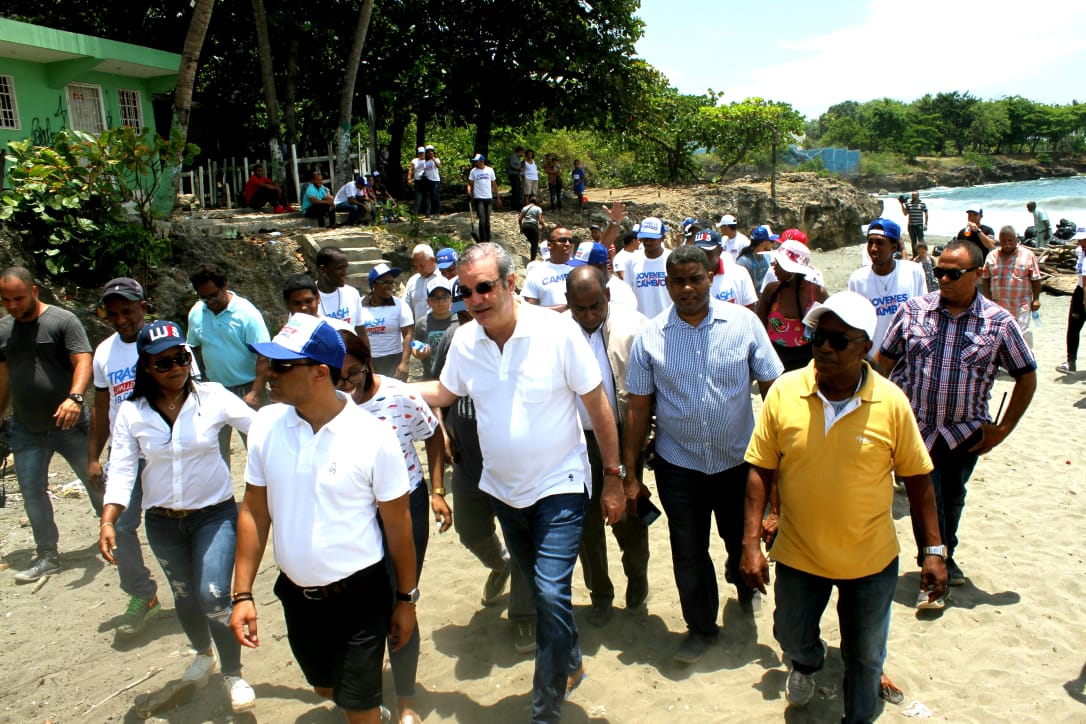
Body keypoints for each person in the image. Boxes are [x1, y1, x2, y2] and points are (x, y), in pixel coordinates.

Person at [416, 243, 627, 722]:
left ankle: (545, 710)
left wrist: (613, 478)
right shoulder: (466, 342)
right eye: (465, 291)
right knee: (539, 588)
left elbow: (599, 407)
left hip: (562, 484)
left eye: (485, 287)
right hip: (505, 492)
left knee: (551, 595)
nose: (476, 298)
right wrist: (377, 388)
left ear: (510, 284)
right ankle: (570, 661)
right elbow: (445, 393)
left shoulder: (558, 332)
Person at [741, 291, 947, 722]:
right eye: (818, 338)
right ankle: (808, 662)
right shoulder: (784, 390)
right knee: (790, 635)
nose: (824, 349)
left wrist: (933, 552)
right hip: (799, 553)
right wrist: (750, 544)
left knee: (866, 656)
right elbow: (761, 469)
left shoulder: (891, 402)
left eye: (839, 340)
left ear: (865, 347)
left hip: (870, 559)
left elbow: (918, 479)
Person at [231, 314, 417, 724]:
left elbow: (399, 526)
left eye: (281, 366)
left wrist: (405, 600)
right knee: (325, 688)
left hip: (360, 597)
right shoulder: (265, 426)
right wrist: (242, 593)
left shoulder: (374, 437)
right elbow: (255, 511)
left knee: (358, 708)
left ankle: (369, 708)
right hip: (298, 597)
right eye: (268, 363)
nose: (268, 374)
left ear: (319, 373)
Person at [624, 246, 783, 664]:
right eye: (678, 281)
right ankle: (701, 628)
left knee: (739, 540)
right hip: (680, 468)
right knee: (688, 552)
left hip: (739, 463)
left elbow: (775, 389)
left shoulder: (744, 324)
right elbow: (638, 408)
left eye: (695, 278)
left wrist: (782, 458)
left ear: (711, 276)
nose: (687, 288)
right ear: (667, 283)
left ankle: (744, 588)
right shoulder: (651, 337)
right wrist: (631, 473)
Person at [98, 320, 257, 713]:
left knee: (213, 593)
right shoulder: (132, 413)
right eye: (164, 363)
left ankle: (233, 674)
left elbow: (262, 430)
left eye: (181, 358)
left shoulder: (214, 397)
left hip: (214, 515)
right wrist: (108, 517)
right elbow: (120, 467)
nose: (176, 368)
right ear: (147, 368)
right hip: (163, 521)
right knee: (184, 593)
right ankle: (203, 654)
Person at [876, 240, 1037, 594]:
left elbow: (1027, 375)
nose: (944, 279)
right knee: (925, 498)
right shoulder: (913, 311)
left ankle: (945, 554)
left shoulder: (999, 323)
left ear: (978, 275)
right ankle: (932, 562)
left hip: (966, 432)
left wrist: (1003, 429)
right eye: (939, 272)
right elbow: (883, 365)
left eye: (953, 273)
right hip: (915, 429)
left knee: (953, 497)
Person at [337, 329, 449, 724]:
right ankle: (364, 691)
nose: (347, 386)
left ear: (368, 364)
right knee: (365, 603)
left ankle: (406, 701)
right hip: (355, 513)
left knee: (403, 596)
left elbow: (434, 438)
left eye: (354, 375)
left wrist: (437, 490)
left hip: (406, 507)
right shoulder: (328, 406)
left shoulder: (400, 397)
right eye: (338, 378)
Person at [427, 286, 537, 654]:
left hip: (512, 461)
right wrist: (442, 431)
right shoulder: (452, 340)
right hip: (469, 462)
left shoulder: (519, 336)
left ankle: (523, 618)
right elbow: (438, 392)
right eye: (461, 311)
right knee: (470, 530)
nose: (468, 317)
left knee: (523, 538)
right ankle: (498, 563)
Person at [0, 266, 100, 583]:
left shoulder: (61, 321)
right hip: (26, 428)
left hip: (69, 424)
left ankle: (117, 532)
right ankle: (47, 556)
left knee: (95, 480)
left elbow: (83, 359)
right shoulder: (4, 330)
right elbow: (3, 376)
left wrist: (75, 398)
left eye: (18, 298)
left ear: (34, 292)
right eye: (6, 300)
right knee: (32, 492)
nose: (13, 306)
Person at [564, 266, 650, 627]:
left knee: (630, 514)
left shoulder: (634, 328)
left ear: (608, 296)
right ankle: (600, 593)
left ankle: (637, 575)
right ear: (567, 303)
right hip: (574, 442)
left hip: (623, 434)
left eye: (595, 306)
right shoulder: (557, 333)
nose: (588, 316)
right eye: (579, 309)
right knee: (585, 525)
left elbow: (647, 393)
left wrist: (642, 444)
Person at [87, 278, 160, 635]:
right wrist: (93, 456)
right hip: (124, 451)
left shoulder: (165, 343)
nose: (121, 319)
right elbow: (101, 408)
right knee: (121, 525)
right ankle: (142, 595)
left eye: (127, 311)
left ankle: (198, 593)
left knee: (174, 519)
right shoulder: (103, 352)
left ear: (143, 308)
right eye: (113, 313)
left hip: (161, 447)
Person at [186, 263, 270, 460]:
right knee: (214, 452)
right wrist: (197, 384)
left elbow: (264, 354)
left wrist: (256, 391)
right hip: (214, 390)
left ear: (224, 285)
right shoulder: (197, 312)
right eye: (204, 297)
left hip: (247, 388)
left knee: (259, 447)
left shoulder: (247, 314)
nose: (209, 301)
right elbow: (193, 349)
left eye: (213, 295)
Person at [847, 218, 927, 355]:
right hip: (873, 358)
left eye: (880, 243)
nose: (873, 248)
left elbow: (924, 314)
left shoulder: (913, 272)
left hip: (907, 357)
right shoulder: (858, 279)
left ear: (894, 247)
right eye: (870, 242)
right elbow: (854, 323)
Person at [758, 240, 828, 371]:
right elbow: (759, 324)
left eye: (778, 262)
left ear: (790, 269)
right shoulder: (771, 290)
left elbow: (829, 325)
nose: (773, 265)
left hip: (808, 362)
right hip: (775, 359)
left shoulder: (817, 292)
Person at [981, 225, 1043, 348]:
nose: (1007, 244)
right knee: (999, 333)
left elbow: (1036, 279)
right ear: (999, 240)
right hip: (998, 304)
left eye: (1010, 240)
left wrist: (1036, 299)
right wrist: (987, 299)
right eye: (1004, 241)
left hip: (1021, 304)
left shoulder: (1028, 255)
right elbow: (986, 278)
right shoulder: (992, 256)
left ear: (1016, 239)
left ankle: (1027, 361)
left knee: (1022, 333)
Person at [360, 263, 413, 381]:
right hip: (369, 360)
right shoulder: (359, 306)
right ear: (373, 284)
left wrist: (404, 363)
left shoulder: (400, 305)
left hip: (394, 360)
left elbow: (408, 335)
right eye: (386, 282)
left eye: (392, 282)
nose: (391, 286)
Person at [693, 228, 757, 310]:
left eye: (708, 254)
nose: (702, 258)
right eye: (699, 253)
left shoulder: (739, 273)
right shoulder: (687, 279)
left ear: (720, 251)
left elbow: (750, 309)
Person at [621, 217, 672, 319]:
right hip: (641, 323)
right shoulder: (632, 260)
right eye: (645, 238)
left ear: (662, 238)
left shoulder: (671, 259)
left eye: (652, 238)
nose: (647, 242)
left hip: (668, 321)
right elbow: (627, 292)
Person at [411, 277, 457, 379]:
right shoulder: (422, 323)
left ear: (451, 299)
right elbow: (414, 345)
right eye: (435, 298)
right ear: (429, 302)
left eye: (444, 297)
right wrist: (419, 353)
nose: (440, 302)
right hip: (431, 377)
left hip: (456, 378)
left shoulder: (461, 322)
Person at [568, 241, 638, 308]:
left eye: (583, 267)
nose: (578, 271)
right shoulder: (587, 285)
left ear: (599, 266)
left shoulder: (620, 292)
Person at [523, 226, 576, 311]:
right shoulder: (536, 273)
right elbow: (529, 310)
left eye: (571, 241)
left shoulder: (581, 269)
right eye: (562, 240)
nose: (567, 244)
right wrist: (566, 308)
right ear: (549, 245)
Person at [314, 246, 365, 332]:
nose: (345, 273)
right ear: (323, 269)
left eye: (346, 268)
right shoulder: (306, 298)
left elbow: (360, 330)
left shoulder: (352, 293)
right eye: (340, 268)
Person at [1056, 227, 1086, 373]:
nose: (1082, 242)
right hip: (1080, 290)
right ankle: (1071, 362)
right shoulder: (1079, 251)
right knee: (1073, 327)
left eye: (1084, 239)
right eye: (1080, 239)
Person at [402, 244, 440, 325]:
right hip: (419, 333)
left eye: (422, 266)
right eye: (416, 266)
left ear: (432, 260)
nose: (419, 269)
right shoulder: (412, 281)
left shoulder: (443, 278)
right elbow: (405, 310)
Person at [467, 153, 500, 243]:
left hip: (488, 197)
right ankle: (483, 239)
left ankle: (488, 238)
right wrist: (469, 190)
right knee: (482, 219)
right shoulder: (473, 171)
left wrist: (497, 197)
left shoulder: (490, 170)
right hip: (478, 198)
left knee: (487, 220)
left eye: (476, 161)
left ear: (482, 161)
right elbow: (469, 183)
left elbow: (494, 184)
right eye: (475, 162)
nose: (475, 163)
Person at [736, 227, 776, 293]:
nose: (772, 243)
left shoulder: (767, 256)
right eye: (771, 241)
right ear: (762, 242)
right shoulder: (743, 262)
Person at [898, 191, 928, 257]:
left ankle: (924, 254)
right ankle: (915, 255)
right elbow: (905, 213)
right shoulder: (908, 204)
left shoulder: (922, 203)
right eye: (913, 195)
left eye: (915, 195)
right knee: (913, 241)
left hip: (919, 225)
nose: (914, 197)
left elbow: (926, 214)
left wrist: (926, 224)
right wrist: (901, 204)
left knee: (921, 241)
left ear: (918, 196)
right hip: (911, 225)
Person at [519, 194, 546, 262]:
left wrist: (521, 228)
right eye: (539, 202)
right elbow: (540, 220)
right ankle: (532, 261)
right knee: (535, 244)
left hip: (525, 226)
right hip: (533, 226)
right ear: (537, 202)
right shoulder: (538, 208)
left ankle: (532, 258)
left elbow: (519, 219)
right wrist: (544, 226)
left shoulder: (525, 208)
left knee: (532, 242)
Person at [407, 147, 431, 217]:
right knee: (418, 197)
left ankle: (427, 213)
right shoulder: (415, 161)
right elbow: (410, 170)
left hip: (426, 180)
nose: (421, 155)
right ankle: (415, 213)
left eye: (423, 153)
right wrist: (409, 178)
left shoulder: (428, 160)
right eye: (420, 153)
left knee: (427, 197)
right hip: (418, 181)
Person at [424, 145, 442, 217]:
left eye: (431, 152)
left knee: (435, 197)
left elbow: (438, 166)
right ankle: (429, 212)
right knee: (429, 197)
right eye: (428, 152)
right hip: (428, 181)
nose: (429, 153)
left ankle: (437, 213)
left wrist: (433, 158)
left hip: (435, 181)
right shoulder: (425, 162)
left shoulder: (436, 159)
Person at [507, 146, 525, 211]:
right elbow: (511, 165)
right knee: (516, 190)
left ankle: (516, 205)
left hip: (516, 175)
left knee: (517, 190)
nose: (522, 154)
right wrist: (519, 168)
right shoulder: (513, 157)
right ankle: (514, 206)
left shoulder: (517, 158)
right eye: (522, 152)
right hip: (513, 175)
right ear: (519, 151)